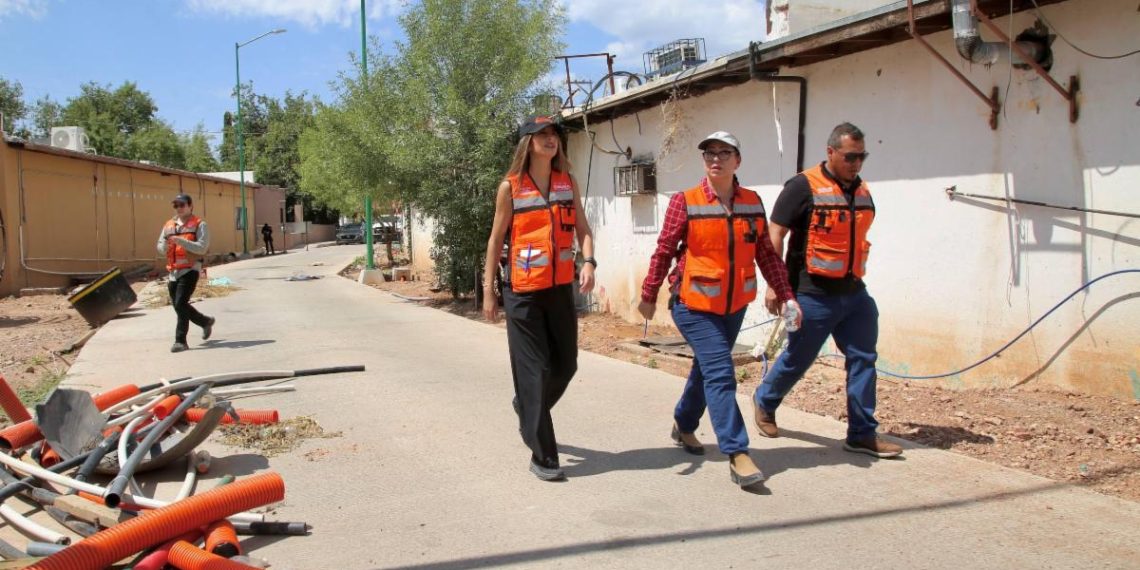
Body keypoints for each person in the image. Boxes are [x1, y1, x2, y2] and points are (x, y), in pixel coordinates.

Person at [638, 131, 800, 489]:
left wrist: (787, 294)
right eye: (709, 153)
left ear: (737, 160)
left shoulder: (752, 202)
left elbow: (766, 254)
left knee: (707, 369)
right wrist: (649, 294)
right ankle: (737, 452)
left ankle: (683, 423)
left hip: (733, 305)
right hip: (692, 304)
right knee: (721, 372)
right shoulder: (685, 201)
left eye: (724, 153)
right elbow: (664, 250)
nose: (716, 159)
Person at [752, 122, 902, 458]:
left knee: (863, 359)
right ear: (831, 152)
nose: (856, 163)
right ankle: (765, 400)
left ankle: (861, 433)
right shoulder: (801, 187)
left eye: (862, 156)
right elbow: (775, 233)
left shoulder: (861, 191)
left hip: (855, 293)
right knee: (799, 357)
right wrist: (775, 285)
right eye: (850, 156)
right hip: (811, 293)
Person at [482, 115, 596, 481]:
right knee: (535, 371)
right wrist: (489, 290)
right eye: (542, 134)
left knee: (566, 366)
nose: (550, 139)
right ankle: (543, 456)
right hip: (523, 293)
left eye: (554, 134)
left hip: (559, 288)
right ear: (527, 143)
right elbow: (496, 240)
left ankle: (527, 406)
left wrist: (589, 262)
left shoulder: (567, 182)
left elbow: (583, 229)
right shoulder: (510, 187)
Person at [157, 193, 215, 353]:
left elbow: (202, 247)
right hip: (173, 271)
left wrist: (181, 241)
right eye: (176, 205)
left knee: (181, 303)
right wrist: (165, 247)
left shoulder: (200, 225)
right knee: (178, 305)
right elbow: (160, 246)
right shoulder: (169, 225)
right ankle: (205, 321)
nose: (179, 208)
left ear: (190, 206)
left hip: (190, 269)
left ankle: (180, 341)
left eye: (182, 205)